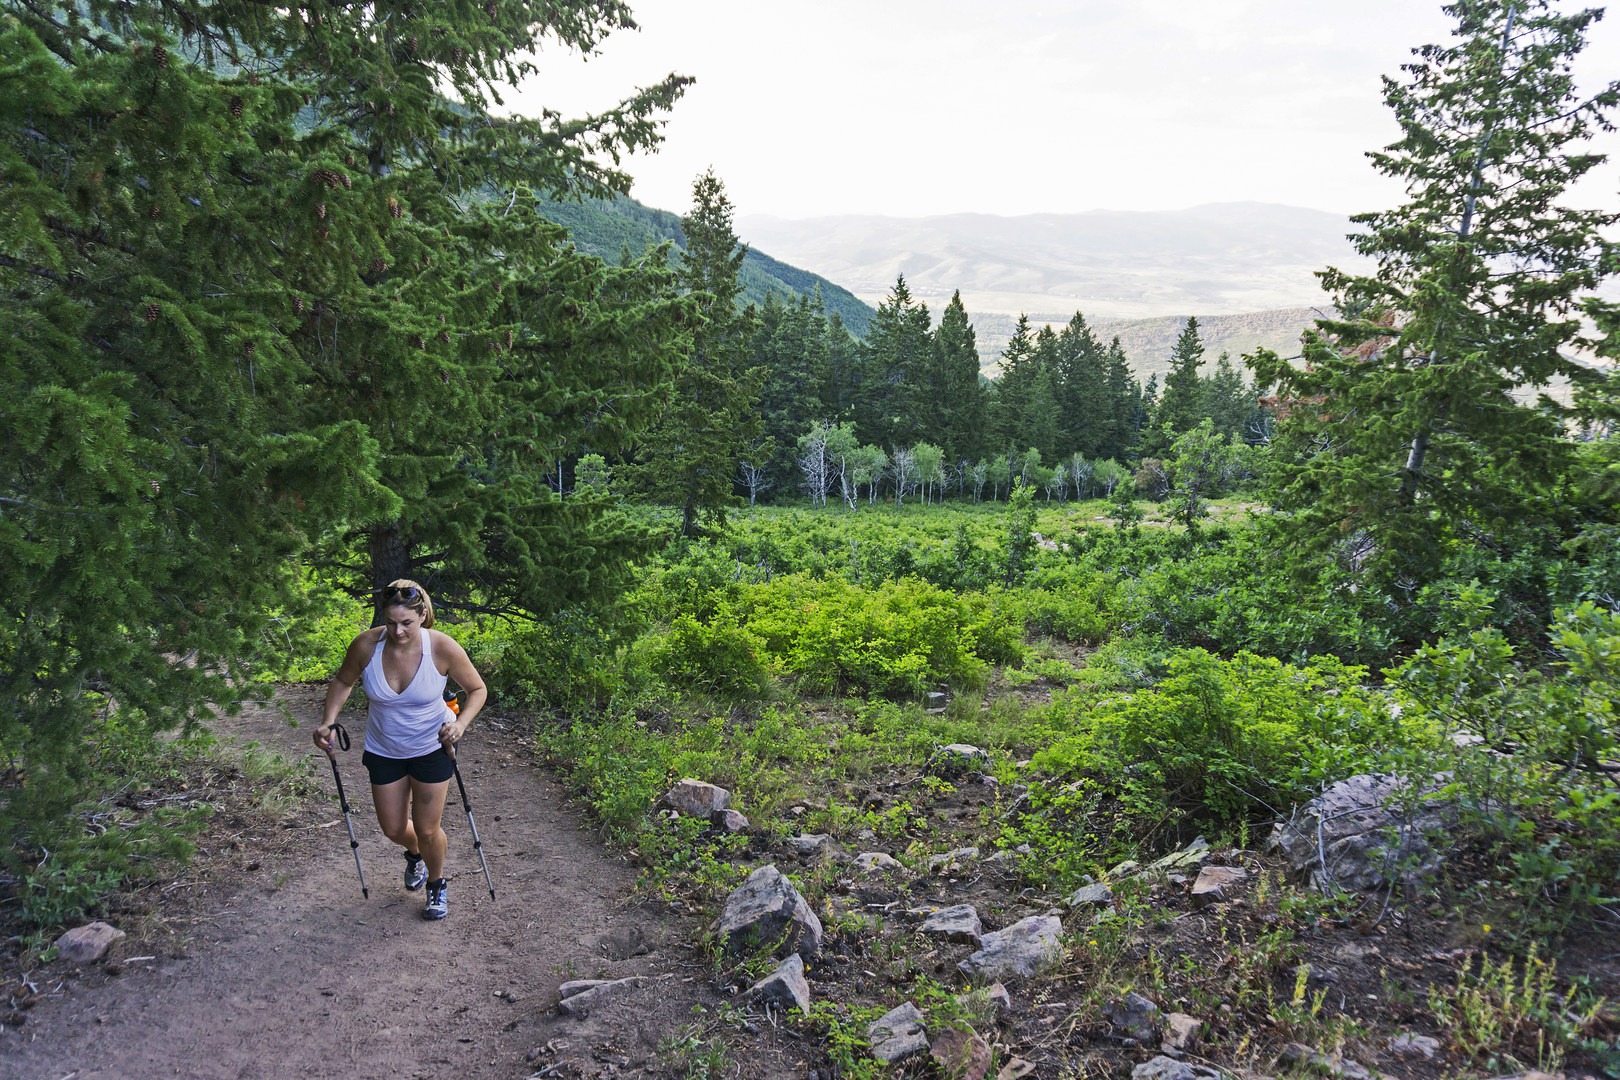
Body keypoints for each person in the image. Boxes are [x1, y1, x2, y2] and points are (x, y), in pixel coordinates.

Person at [314, 580, 487, 920]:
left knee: (427, 828)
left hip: (432, 746)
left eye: (406, 623)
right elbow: (343, 682)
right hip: (384, 749)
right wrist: (327, 721)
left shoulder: (441, 648)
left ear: (422, 615)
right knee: (393, 828)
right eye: (391, 622)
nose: (398, 630)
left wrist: (460, 724)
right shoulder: (366, 645)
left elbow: (477, 689)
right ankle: (415, 854)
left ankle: (436, 884)